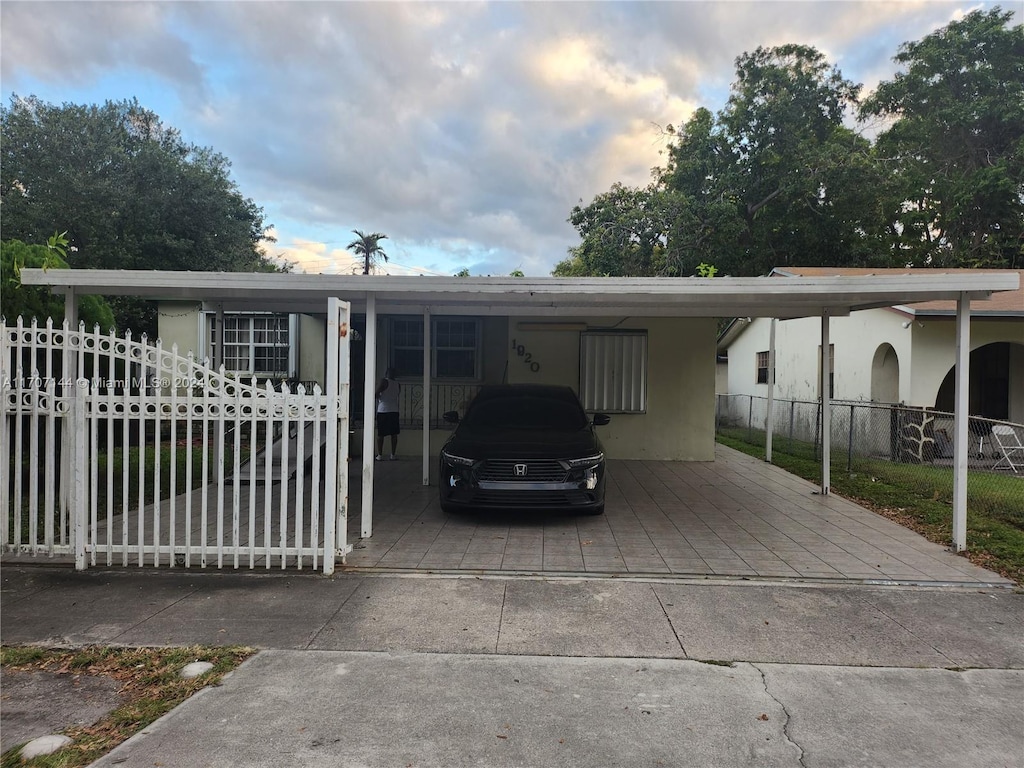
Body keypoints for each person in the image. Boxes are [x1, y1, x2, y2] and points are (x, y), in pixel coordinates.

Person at [374, 367, 401, 461]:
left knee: (380, 434)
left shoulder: (384, 381)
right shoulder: (398, 384)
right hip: (394, 410)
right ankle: (393, 454)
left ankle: (380, 455)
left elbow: (375, 393)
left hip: (383, 410)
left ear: (386, 373)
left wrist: (379, 396)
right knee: (394, 434)